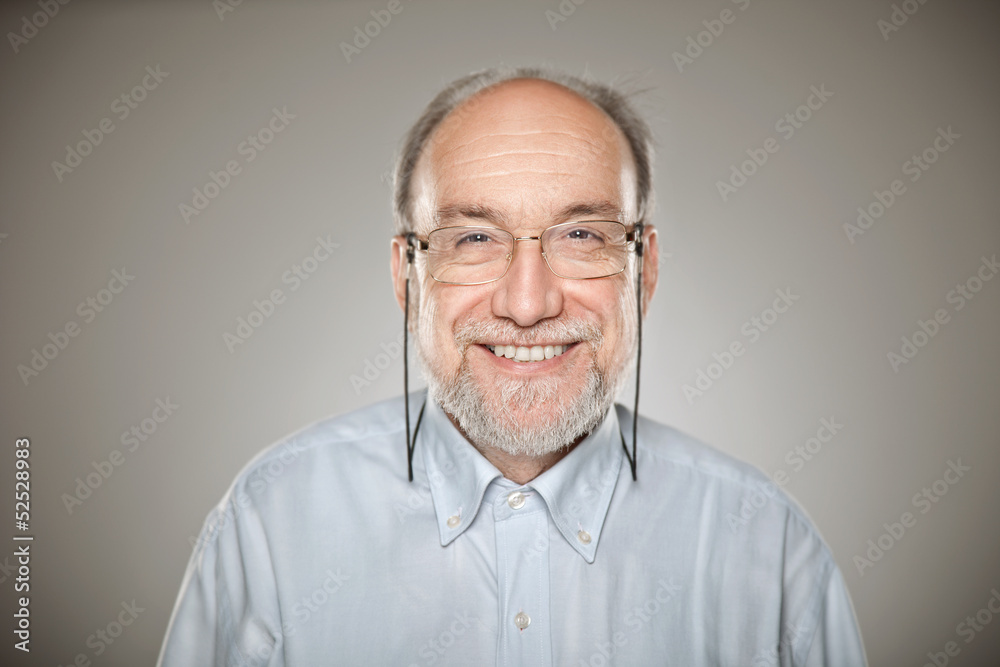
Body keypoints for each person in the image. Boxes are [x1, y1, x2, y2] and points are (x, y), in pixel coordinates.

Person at [158, 67, 867, 666]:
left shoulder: (767, 544)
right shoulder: (273, 522)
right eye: (473, 237)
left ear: (643, 270)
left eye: (581, 234)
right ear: (408, 277)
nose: (528, 303)